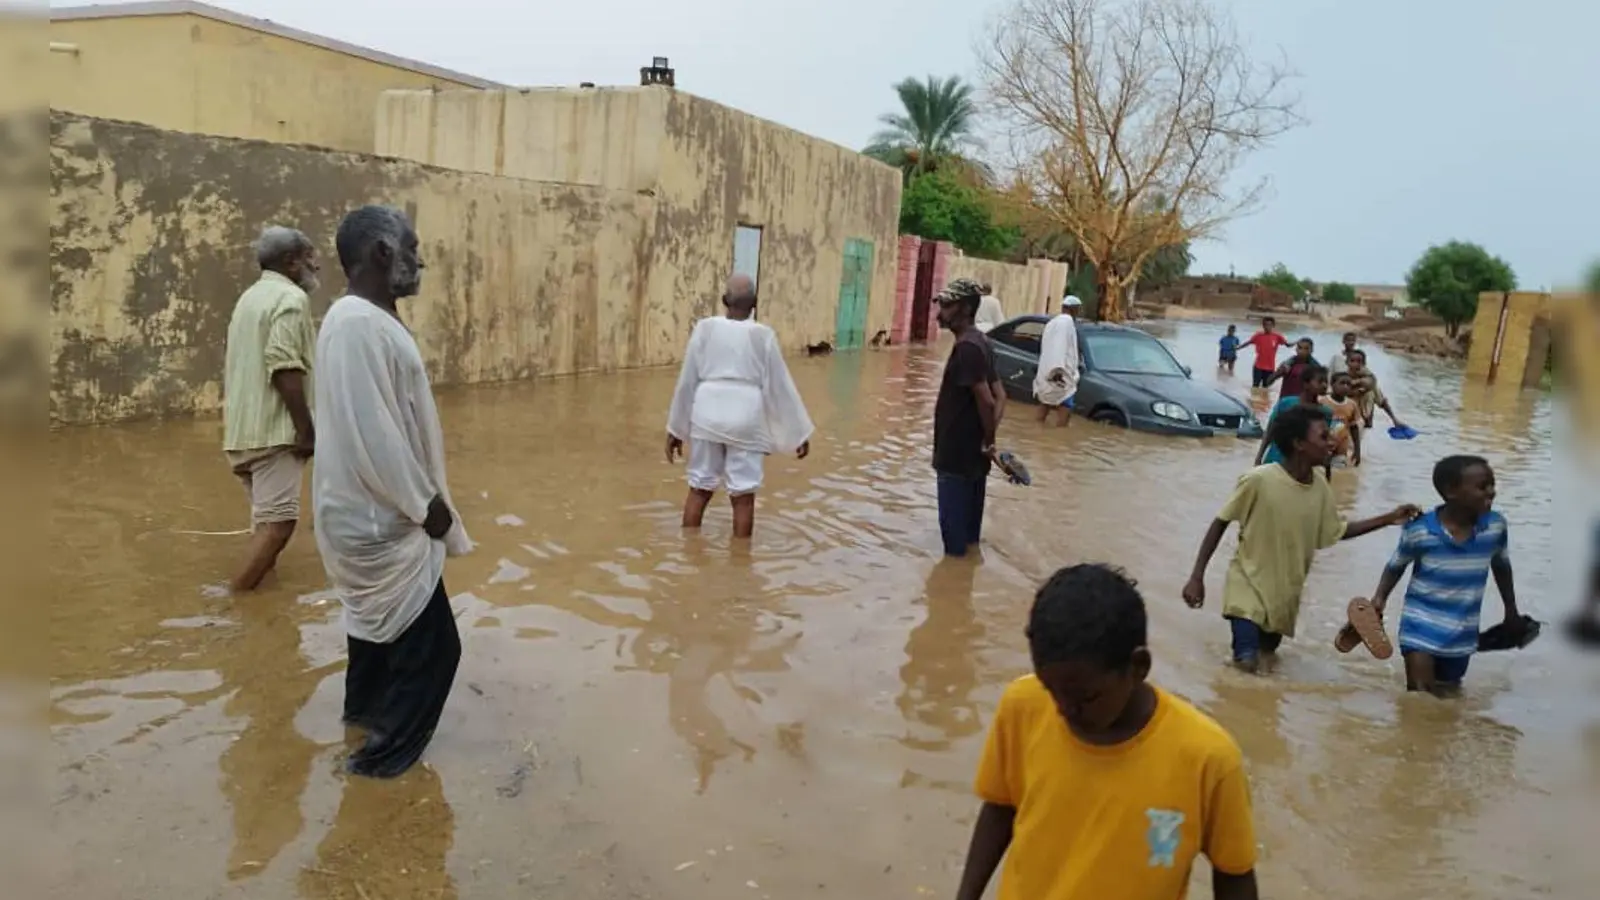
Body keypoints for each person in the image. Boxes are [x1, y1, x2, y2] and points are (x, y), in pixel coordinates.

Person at [955, 564, 1262, 900]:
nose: (1063, 709)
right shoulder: (1023, 706)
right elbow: (1001, 807)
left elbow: (1234, 875)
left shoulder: (1207, 758)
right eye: (1050, 689)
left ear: (1138, 667)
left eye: (1085, 697)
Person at [313, 205, 473, 778]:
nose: (420, 257)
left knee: (375, 635)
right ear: (382, 252)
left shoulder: (363, 320)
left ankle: (362, 723)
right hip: (381, 517)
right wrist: (425, 506)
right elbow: (373, 431)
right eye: (412, 245)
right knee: (436, 652)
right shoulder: (357, 323)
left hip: (369, 511)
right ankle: (378, 767)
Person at [1184, 405, 1420, 672]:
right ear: (1299, 444)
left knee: (1266, 663)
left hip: (1284, 597)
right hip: (1246, 587)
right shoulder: (1258, 480)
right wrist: (1196, 577)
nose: (1332, 441)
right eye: (1323, 436)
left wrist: (1388, 518)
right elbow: (1221, 522)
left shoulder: (1320, 488)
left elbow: (1337, 532)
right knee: (1246, 663)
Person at [665, 273, 814, 538]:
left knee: (699, 488)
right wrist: (797, 432)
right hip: (746, 416)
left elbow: (687, 381)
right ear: (754, 303)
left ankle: (688, 553)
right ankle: (742, 564)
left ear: (724, 300)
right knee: (743, 495)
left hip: (706, 414)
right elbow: (780, 386)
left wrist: (675, 429)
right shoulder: (763, 336)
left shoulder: (705, 329)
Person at [1366, 455, 1523, 695]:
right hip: (1419, 626)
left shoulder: (1495, 528)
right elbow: (1396, 566)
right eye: (1482, 487)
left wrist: (1511, 611)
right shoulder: (1420, 530)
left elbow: (1502, 567)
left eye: (1492, 485)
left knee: (1448, 696)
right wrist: (1379, 600)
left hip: (1462, 631)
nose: (1491, 492)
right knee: (1419, 699)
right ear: (1451, 491)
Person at [222, 225, 321, 592]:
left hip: (241, 434)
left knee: (264, 525)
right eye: (312, 258)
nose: (317, 267)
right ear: (292, 263)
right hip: (275, 433)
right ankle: (233, 601)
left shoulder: (248, 299)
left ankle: (265, 616)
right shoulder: (291, 300)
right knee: (279, 526)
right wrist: (306, 430)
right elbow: (283, 365)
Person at [933, 278, 1006, 558]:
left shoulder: (967, 348)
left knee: (954, 548)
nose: (940, 313)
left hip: (956, 457)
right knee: (969, 541)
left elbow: (988, 401)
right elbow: (1001, 397)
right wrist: (987, 443)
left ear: (965, 308)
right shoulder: (982, 342)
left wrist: (989, 440)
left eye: (947, 306)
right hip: (974, 458)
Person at [1254, 363, 1334, 477]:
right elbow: (1270, 431)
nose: (1325, 385)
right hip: (1275, 458)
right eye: (1320, 381)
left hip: (1303, 466)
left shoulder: (1326, 412)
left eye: (1326, 382)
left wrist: (1327, 471)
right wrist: (1259, 457)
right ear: (1306, 384)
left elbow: (1323, 443)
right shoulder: (1286, 403)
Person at [1032, 294, 1081, 426]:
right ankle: (1060, 436)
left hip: (1047, 371)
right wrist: (1058, 372)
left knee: (1046, 402)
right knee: (1066, 406)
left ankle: (1036, 430)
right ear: (1075, 309)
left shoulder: (1052, 322)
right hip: (1060, 374)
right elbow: (1059, 346)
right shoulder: (1067, 322)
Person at [1344, 349, 1407, 431]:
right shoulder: (1342, 379)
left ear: (1363, 364)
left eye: (1359, 361)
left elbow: (1382, 402)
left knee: (1372, 390)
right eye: (1352, 361)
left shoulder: (1370, 382)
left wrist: (1394, 419)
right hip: (1344, 417)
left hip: (1361, 419)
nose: (1355, 364)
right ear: (1347, 362)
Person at [1324, 371, 1362, 467]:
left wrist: (1357, 451)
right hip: (1322, 447)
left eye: (1348, 384)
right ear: (1332, 384)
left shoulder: (1352, 405)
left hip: (1341, 448)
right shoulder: (1322, 401)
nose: (1345, 387)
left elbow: (1354, 427)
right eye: (1342, 383)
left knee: (1338, 473)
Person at [1243, 317, 1289, 389]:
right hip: (1258, 366)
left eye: (1269, 325)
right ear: (1263, 326)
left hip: (1270, 368)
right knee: (1255, 386)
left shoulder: (1278, 337)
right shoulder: (1258, 335)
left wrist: (1297, 343)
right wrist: (1238, 348)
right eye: (1265, 325)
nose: (1267, 327)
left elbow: (1287, 345)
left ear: (1273, 326)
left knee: (1266, 387)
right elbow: (1248, 342)